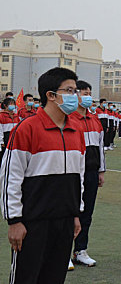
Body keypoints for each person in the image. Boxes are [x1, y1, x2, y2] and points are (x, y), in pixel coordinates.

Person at [0, 67, 85, 284]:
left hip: (65, 222)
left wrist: (75, 213)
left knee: (54, 277)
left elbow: (79, 176)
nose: (75, 96)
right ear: (51, 95)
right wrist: (15, 221)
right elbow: (10, 177)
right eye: (69, 90)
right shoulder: (27, 128)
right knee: (26, 278)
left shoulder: (76, 130)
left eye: (76, 91)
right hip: (33, 223)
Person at [69, 80, 106, 269]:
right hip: (74, 173)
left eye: (89, 92)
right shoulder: (69, 119)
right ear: (74, 95)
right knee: (70, 211)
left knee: (87, 213)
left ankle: (80, 250)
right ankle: (64, 251)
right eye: (84, 92)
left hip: (91, 173)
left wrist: (101, 170)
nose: (88, 96)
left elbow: (99, 147)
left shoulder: (95, 119)